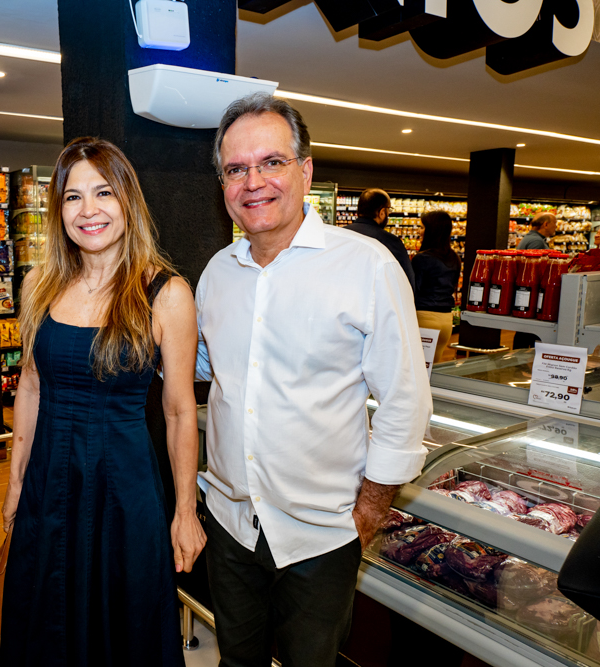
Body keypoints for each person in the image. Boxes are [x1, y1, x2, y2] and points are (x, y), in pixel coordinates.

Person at [196, 92, 431, 667]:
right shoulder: (217, 274)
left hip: (322, 535)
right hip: (229, 524)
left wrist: (371, 508)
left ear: (305, 170)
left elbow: (405, 398)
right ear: (223, 184)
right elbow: (208, 371)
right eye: (236, 169)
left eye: (271, 162)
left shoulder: (366, 265)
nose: (253, 182)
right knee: (237, 660)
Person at [0, 137, 205, 666]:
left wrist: (186, 510)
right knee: (46, 614)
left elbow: (180, 411)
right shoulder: (39, 286)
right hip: (48, 482)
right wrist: (17, 482)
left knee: (125, 621)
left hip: (124, 487)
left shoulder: (167, 293)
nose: (88, 210)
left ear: (127, 202)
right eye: (72, 197)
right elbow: (32, 386)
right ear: (58, 209)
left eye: (103, 193)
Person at [412, 210, 461, 364]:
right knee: (432, 367)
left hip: (424, 318)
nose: (419, 231)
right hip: (446, 321)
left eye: (422, 227)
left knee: (417, 370)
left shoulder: (422, 258)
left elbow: (414, 290)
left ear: (432, 230)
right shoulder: (455, 257)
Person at [345, 188, 416, 292]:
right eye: (389, 210)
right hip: (376, 303)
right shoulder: (391, 242)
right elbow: (406, 282)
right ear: (382, 212)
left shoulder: (342, 234)